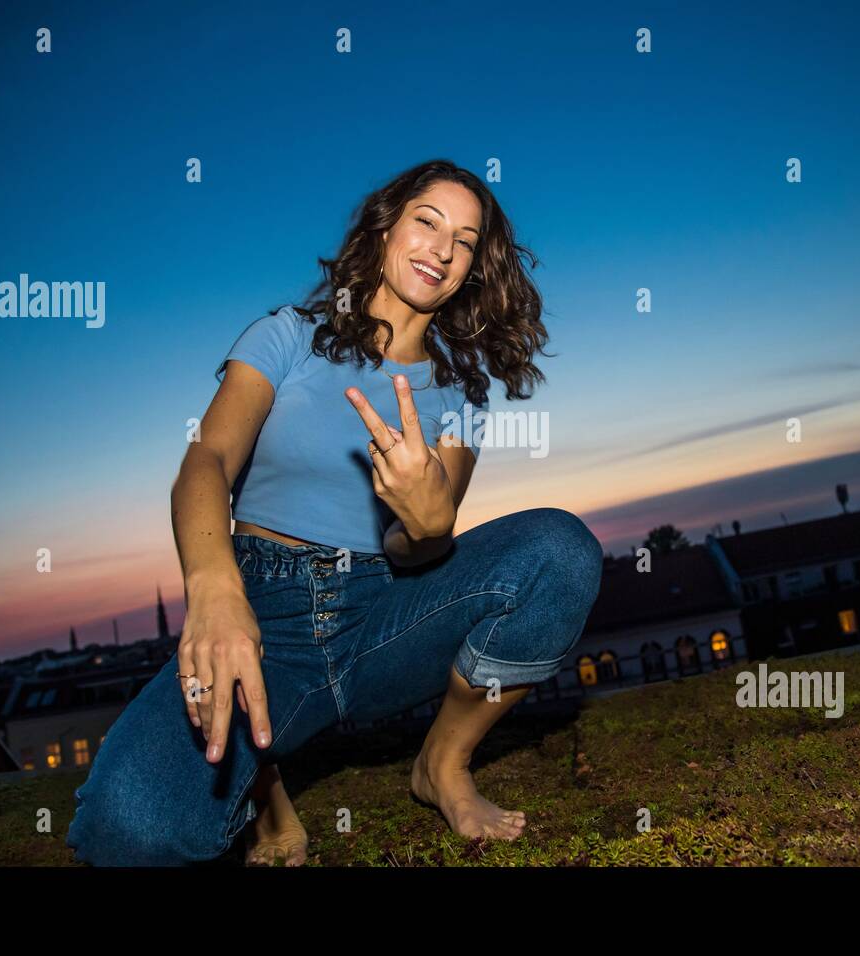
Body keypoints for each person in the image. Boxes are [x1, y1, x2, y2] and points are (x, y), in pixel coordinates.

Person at [64, 159, 604, 866]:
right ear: (385, 227)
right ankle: (264, 793)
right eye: (427, 222)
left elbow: (417, 549)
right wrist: (216, 594)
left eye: (465, 241)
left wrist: (427, 524)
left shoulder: (460, 396)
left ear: (474, 267)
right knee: (129, 828)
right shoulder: (286, 336)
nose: (442, 249)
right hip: (264, 614)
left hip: (386, 616)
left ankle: (440, 765)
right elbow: (206, 464)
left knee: (560, 550)